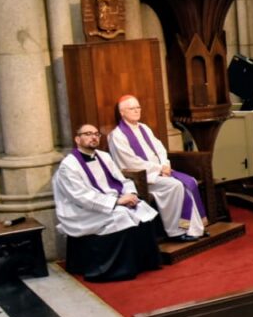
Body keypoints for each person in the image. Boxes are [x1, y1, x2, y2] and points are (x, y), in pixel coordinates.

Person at [53, 124, 161, 282]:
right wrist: (117, 202)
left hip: (111, 201)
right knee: (122, 215)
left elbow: (123, 180)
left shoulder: (104, 156)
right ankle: (119, 270)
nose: (94, 137)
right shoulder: (69, 166)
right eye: (88, 134)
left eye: (96, 134)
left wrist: (130, 194)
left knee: (141, 207)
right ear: (77, 139)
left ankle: (144, 263)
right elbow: (81, 197)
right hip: (84, 211)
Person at [109, 95, 206, 240]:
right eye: (132, 108)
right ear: (122, 112)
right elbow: (130, 162)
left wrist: (164, 165)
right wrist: (158, 169)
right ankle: (176, 232)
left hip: (159, 172)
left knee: (189, 181)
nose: (136, 111)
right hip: (143, 178)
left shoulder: (144, 128)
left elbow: (160, 149)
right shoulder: (116, 135)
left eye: (138, 107)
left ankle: (194, 228)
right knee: (176, 186)